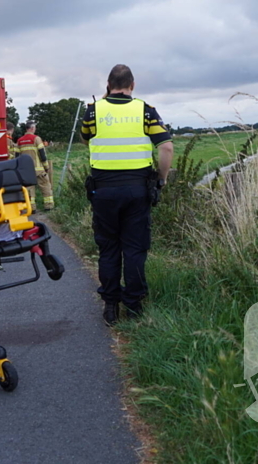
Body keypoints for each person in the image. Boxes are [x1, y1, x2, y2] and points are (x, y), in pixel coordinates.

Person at [81, 64, 173, 326]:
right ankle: (134, 307)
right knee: (134, 249)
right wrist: (161, 179)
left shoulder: (93, 111)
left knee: (109, 248)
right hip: (137, 190)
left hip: (104, 190)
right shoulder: (145, 110)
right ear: (132, 85)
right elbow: (166, 147)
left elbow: (87, 139)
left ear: (108, 85)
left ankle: (111, 306)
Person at [17, 121, 53, 211]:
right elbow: (42, 155)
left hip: (26, 171)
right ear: (32, 128)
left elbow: (16, 157)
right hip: (39, 169)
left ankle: (31, 208)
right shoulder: (36, 139)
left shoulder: (19, 140)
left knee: (29, 190)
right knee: (45, 186)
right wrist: (46, 167)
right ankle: (48, 206)